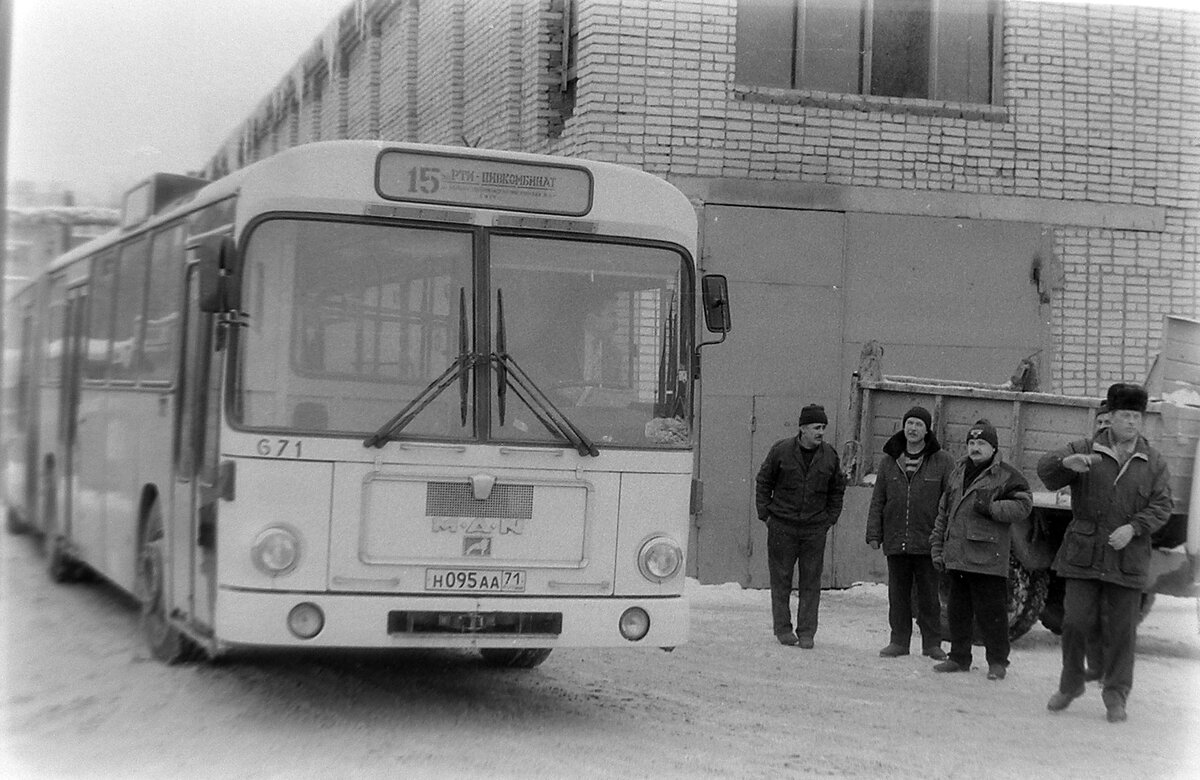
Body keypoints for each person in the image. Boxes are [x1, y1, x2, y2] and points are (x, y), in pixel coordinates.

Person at [1037, 383, 1172, 723]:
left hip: (1127, 559)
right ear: (1108, 417)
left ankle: (1116, 695)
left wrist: (1134, 527)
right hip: (1084, 554)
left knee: (1122, 631)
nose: (1132, 422)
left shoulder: (1153, 461)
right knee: (1074, 622)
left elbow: (1162, 505)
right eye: (1125, 415)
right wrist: (1065, 463)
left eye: (1136, 416)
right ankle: (1070, 685)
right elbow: (1046, 472)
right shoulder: (1085, 448)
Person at [929, 420, 1032, 680]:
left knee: (992, 614)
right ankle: (959, 657)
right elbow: (944, 511)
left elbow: (1024, 506)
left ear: (993, 447)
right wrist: (937, 545)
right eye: (971, 443)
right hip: (958, 555)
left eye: (981, 443)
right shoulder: (958, 471)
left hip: (988, 558)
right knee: (957, 611)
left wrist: (992, 508)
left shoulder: (1008, 475)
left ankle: (998, 662)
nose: (975, 448)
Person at [866, 406, 955, 661]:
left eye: (918, 424)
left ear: (927, 430)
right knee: (898, 595)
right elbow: (878, 500)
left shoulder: (942, 461)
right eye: (909, 423)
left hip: (927, 541)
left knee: (929, 597)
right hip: (896, 539)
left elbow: (950, 500)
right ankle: (898, 641)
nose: (912, 428)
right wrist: (874, 533)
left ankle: (932, 644)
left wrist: (945, 536)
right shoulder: (889, 461)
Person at [756, 403, 847, 648]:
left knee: (811, 582)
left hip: (814, 529)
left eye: (823, 428)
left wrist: (829, 519)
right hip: (782, 527)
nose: (821, 432)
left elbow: (837, 489)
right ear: (803, 428)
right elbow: (764, 481)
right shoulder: (781, 451)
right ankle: (783, 630)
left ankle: (807, 632)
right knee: (781, 579)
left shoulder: (829, 455)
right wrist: (766, 515)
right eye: (817, 427)